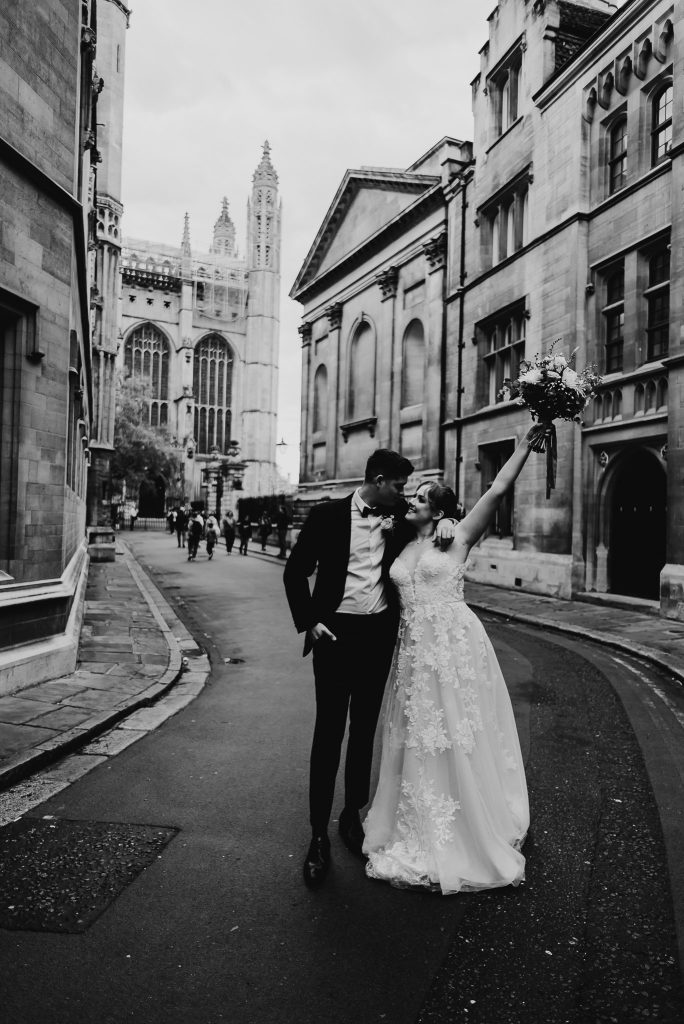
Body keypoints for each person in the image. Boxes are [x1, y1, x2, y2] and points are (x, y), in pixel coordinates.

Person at [363, 425, 548, 895]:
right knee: (417, 735)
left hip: (451, 643)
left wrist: (524, 446)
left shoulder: (459, 536)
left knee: (455, 730)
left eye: (423, 496)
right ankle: (415, 825)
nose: (414, 500)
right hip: (413, 649)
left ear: (440, 510)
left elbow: (498, 488)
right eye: (415, 495)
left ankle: (466, 828)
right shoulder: (402, 538)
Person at [283, 449, 456, 888]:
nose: (403, 494)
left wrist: (448, 522)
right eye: (399, 486)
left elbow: (437, 514)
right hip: (334, 636)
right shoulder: (326, 516)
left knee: (363, 733)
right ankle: (317, 835)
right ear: (378, 480)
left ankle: (351, 815)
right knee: (328, 733)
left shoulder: (399, 513)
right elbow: (295, 572)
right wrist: (311, 621)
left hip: (377, 638)